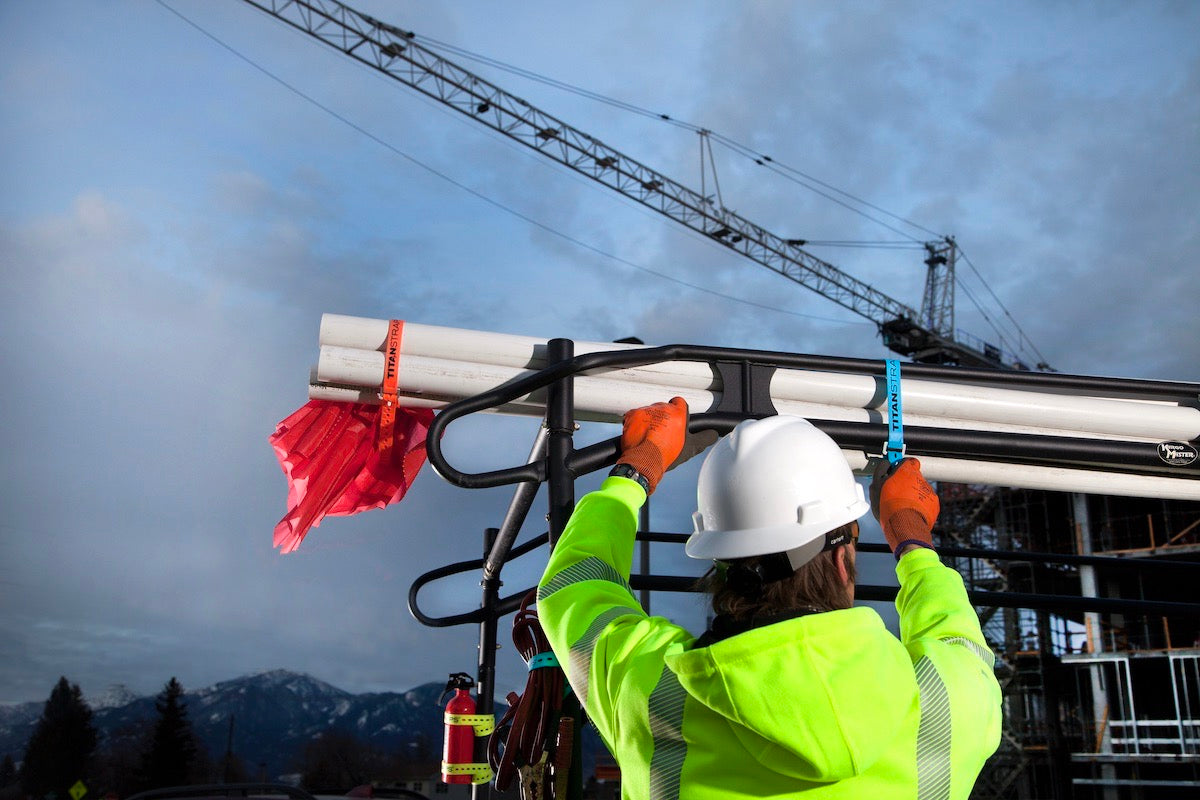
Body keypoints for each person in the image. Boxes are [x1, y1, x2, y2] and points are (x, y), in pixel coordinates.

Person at [537, 398, 1002, 799]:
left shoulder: (655, 691)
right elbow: (957, 638)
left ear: (720, 563)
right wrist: (911, 536)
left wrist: (636, 468)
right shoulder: (947, 703)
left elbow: (572, 586)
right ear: (842, 561)